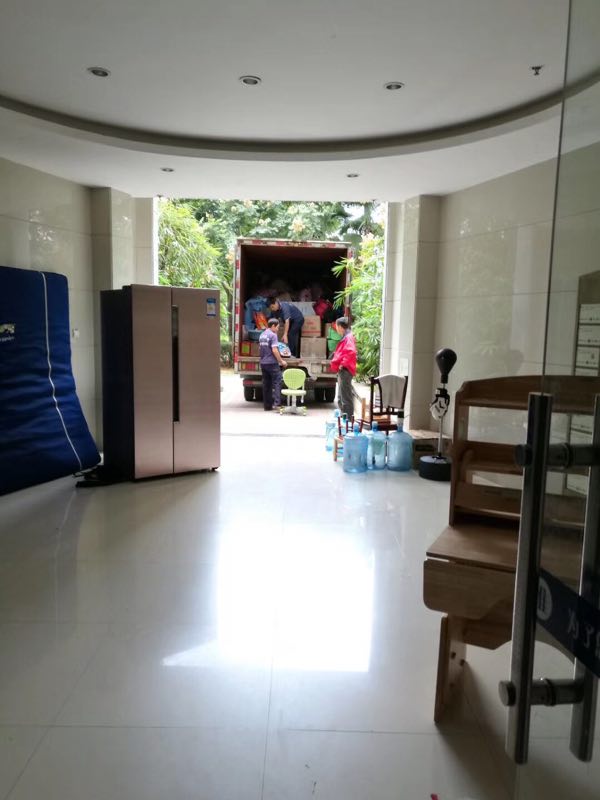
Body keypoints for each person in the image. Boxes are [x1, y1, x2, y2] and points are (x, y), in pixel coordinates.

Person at [330, 316, 357, 418]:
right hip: (344, 370)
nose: (336, 329)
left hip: (345, 370)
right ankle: (344, 418)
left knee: (345, 397)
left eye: (337, 326)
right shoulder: (347, 336)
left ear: (340, 327)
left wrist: (343, 364)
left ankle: (348, 420)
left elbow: (351, 351)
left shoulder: (348, 337)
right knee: (341, 397)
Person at [259, 318, 287, 411]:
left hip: (263, 363)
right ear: (273, 326)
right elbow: (274, 350)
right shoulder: (273, 335)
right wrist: (281, 361)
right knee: (277, 382)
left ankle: (267, 406)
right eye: (277, 327)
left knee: (266, 384)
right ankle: (277, 404)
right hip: (272, 363)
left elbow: (260, 349)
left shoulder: (262, 335)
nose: (278, 329)